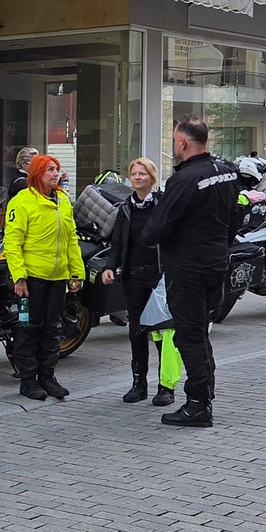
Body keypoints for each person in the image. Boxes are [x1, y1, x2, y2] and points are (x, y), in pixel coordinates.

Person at [133, 118, 240, 427]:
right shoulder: (227, 171)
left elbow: (158, 226)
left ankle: (197, 405)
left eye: (175, 140)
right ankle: (204, 395)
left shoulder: (184, 179)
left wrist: (146, 238)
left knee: (189, 336)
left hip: (188, 268)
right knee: (200, 332)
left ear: (182, 143)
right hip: (215, 263)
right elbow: (235, 214)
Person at [99, 157, 181, 406]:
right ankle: (139, 384)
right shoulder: (126, 208)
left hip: (159, 278)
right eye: (134, 173)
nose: (137, 177)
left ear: (152, 177)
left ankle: (166, 387)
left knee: (163, 332)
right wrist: (109, 267)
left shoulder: (163, 205)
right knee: (136, 331)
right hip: (133, 277)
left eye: (142, 173)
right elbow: (117, 242)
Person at [3, 154, 84, 402]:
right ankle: (28, 380)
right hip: (32, 279)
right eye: (50, 169)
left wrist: (76, 273)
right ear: (37, 173)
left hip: (57, 278)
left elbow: (71, 239)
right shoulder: (22, 201)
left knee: (53, 329)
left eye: (57, 169)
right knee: (29, 328)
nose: (55, 174)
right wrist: (19, 277)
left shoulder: (63, 200)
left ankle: (47, 377)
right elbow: (12, 242)